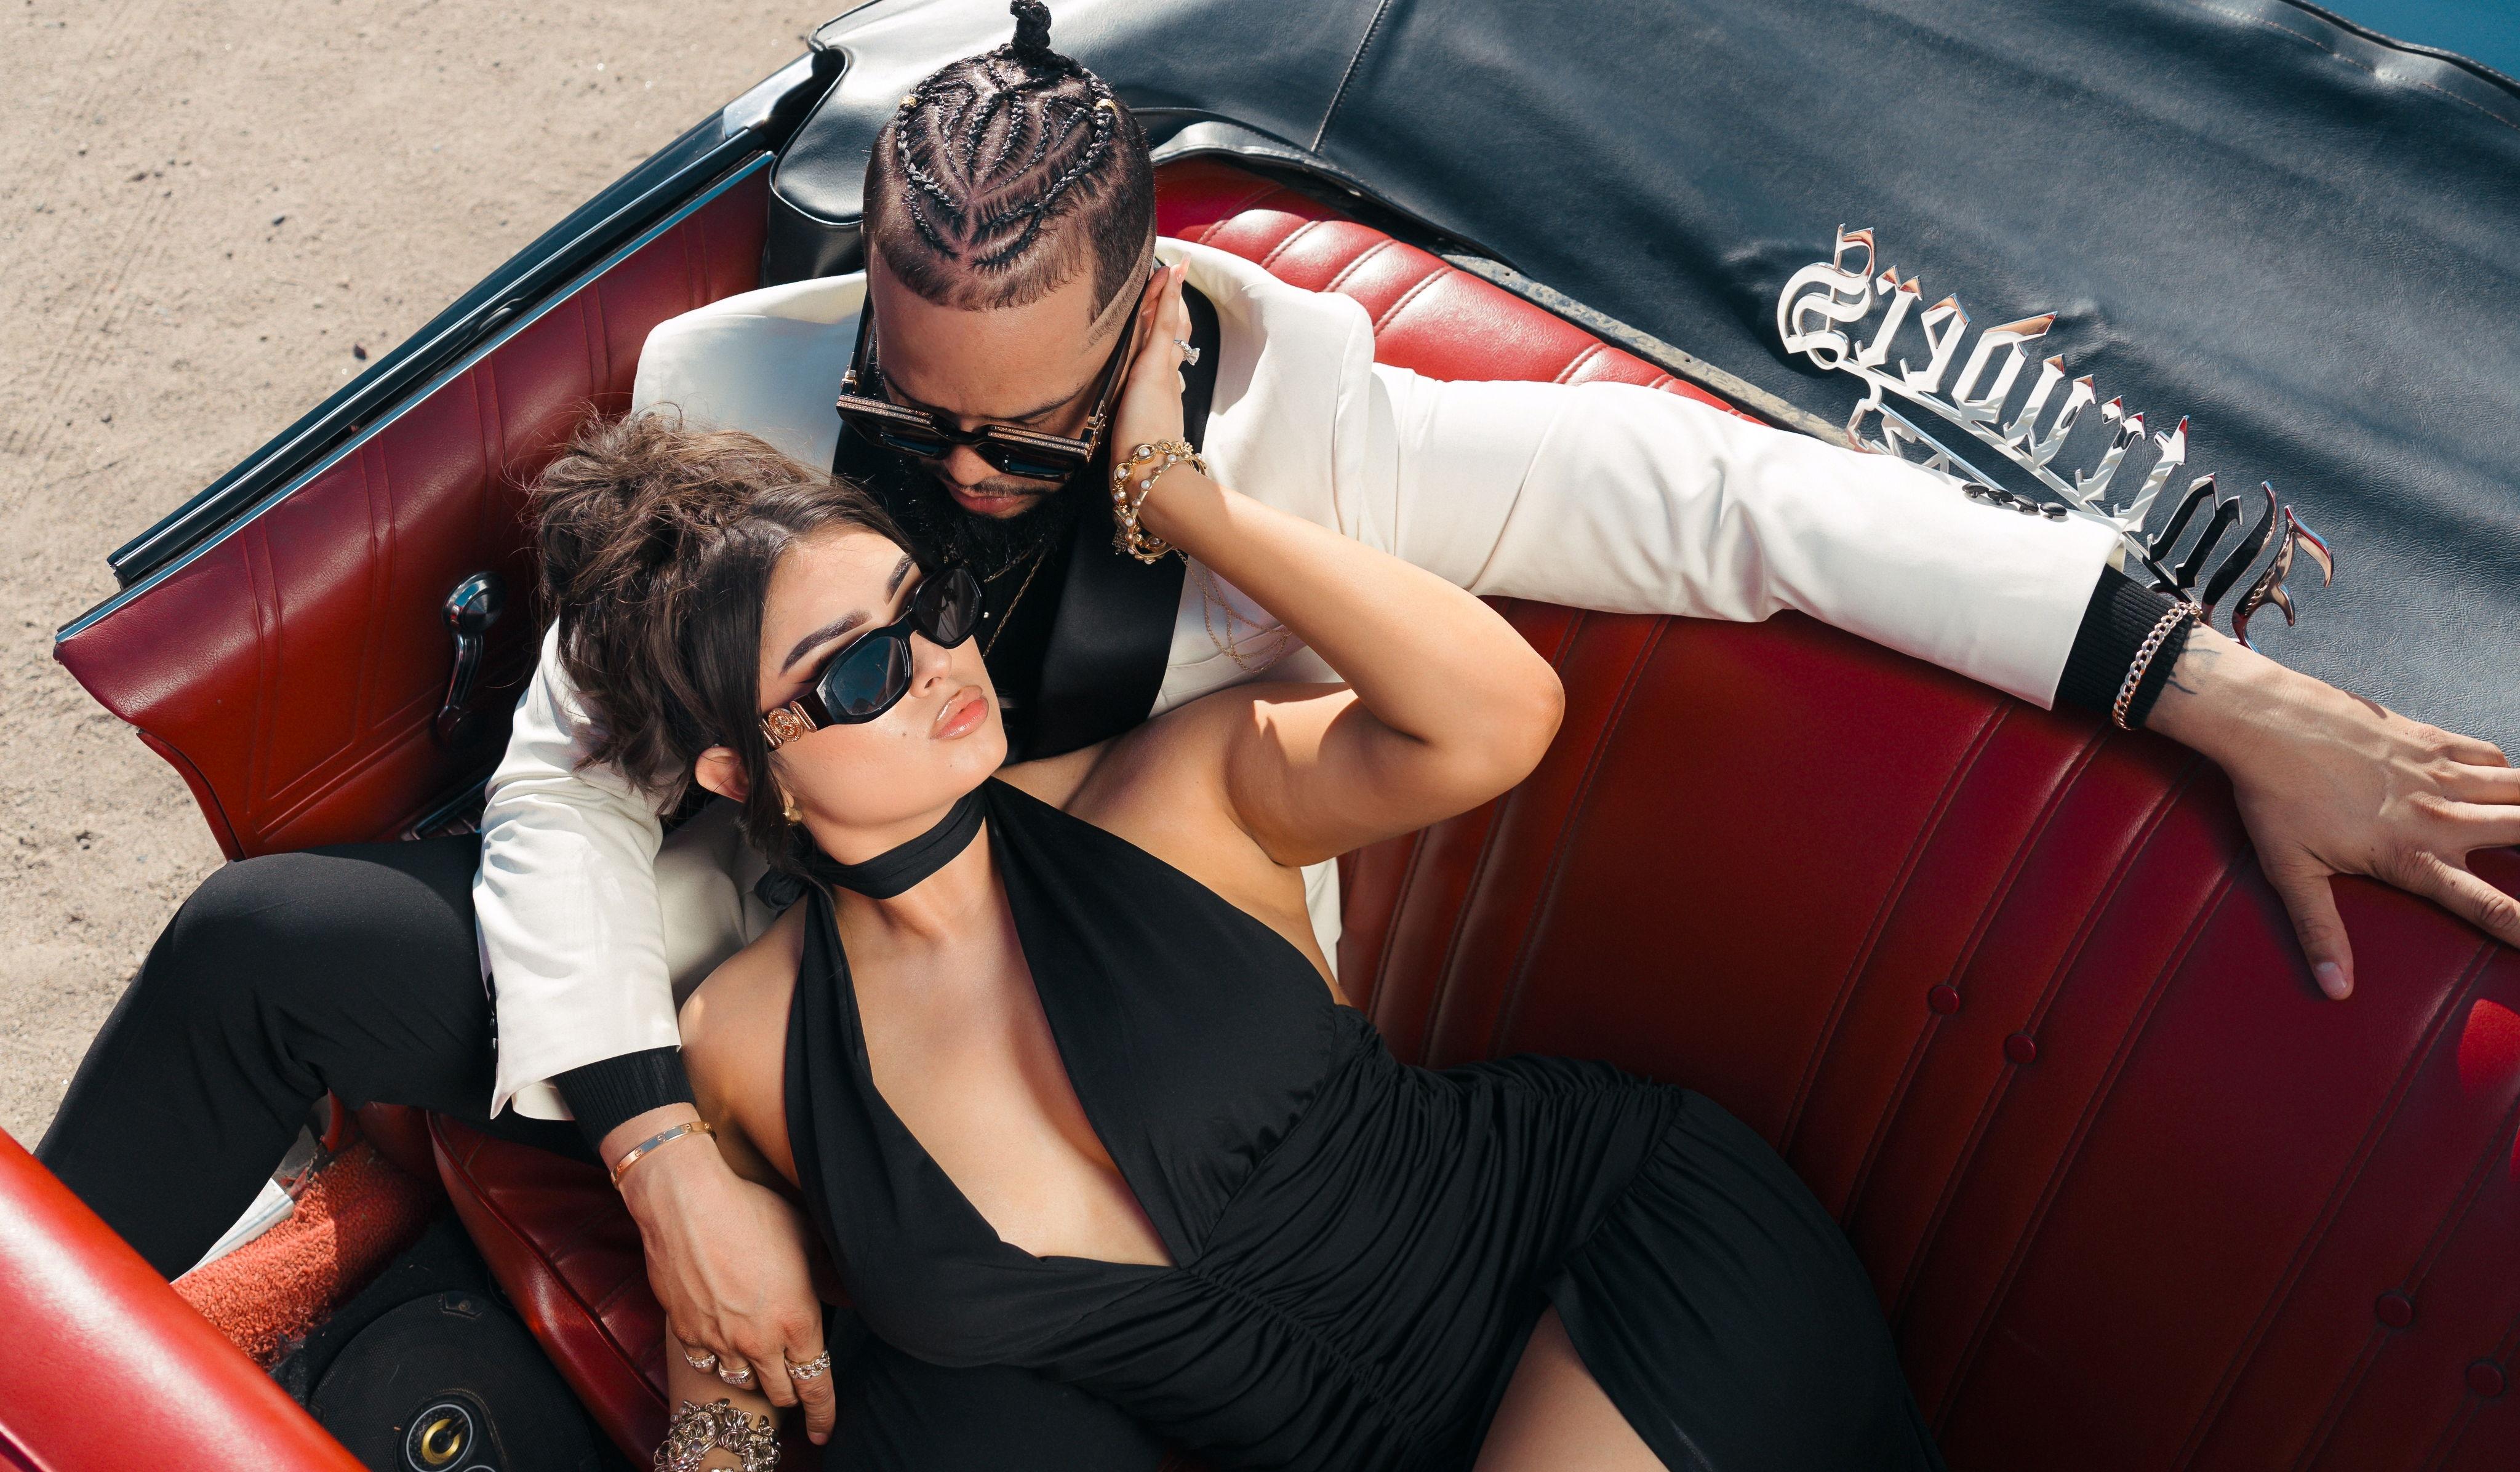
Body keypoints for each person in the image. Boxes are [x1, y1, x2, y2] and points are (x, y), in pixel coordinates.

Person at [33, 2, 2520, 1452]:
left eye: (1017, 428)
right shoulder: (743, 395)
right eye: (908, 402)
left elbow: (1753, 512)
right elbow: (566, 802)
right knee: (276, 944)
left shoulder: (1325, 439)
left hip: (1128, 1069)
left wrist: (2208, 684)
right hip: (745, 977)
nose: (948, 480)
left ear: (1144, 325)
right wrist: (666, 1149)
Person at [545, 263, 1948, 1469]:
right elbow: (723, 1366)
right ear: (739, 772)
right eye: (854, 671)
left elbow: (1498, 717)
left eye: (930, 606)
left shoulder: (1173, 790)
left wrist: (1174, 494)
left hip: (1618, 1254)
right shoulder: (738, 1041)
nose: (933, 668)